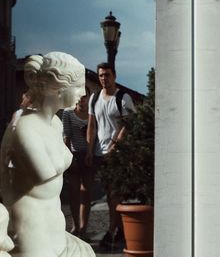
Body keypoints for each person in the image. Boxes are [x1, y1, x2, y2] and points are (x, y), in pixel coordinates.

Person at [0, 52, 94, 257]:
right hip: (31, 233)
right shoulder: (24, 126)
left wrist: (61, 158)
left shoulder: (55, 123)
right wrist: (64, 157)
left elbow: (57, 164)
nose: (82, 93)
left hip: (55, 228)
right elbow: (43, 172)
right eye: (78, 86)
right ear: (58, 89)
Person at [85, 62, 134, 249]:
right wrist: (90, 150)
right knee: (110, 193)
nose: (104, 78)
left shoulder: (123, 98)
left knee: (114, 193)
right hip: (99, 152)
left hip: (118, 154)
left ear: (114, 76)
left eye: (107, 75)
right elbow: (92, 125)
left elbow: (128, 125)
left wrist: (114, 146)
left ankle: (111, 231)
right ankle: (120, 231)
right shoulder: (95, 98)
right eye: (101, 75)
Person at [62, 86, 92, 241]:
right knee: (74, 193)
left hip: (88, 156)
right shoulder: (68, 113)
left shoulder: (93, 113)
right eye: (80, 95)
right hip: (73, 156)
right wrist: (68, 158)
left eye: (85, 95)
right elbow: (66, 136)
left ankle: (84, 228)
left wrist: (90, 153)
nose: (82, 98)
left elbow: (95, 134)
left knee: (86, 193)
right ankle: (75, 226)